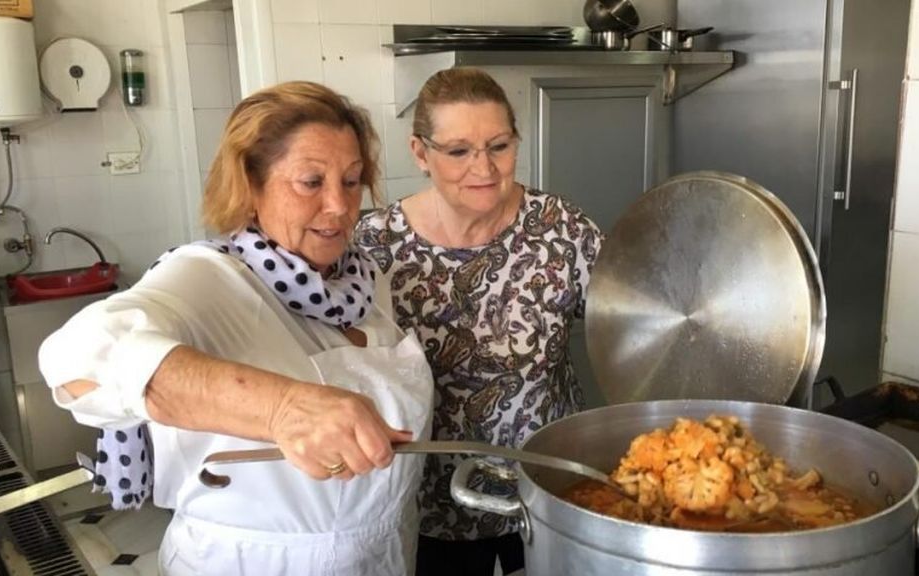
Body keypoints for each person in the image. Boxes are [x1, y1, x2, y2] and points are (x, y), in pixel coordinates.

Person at [39, 81, 434, 576]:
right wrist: (282, 408)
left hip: (386, 555)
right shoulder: (210, 276)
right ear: (250, 185)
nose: (340, 205)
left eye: (352, 181)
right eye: (311, 182)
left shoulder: (363, 282)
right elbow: (78, 357)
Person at [355, 68, 604, 576]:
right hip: (429, 496)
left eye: (498, 145)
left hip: (546, 483)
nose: (484, 168)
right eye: (459, 151)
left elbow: (628, 327)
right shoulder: (375, 245)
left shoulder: (562, 230)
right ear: (421, 153)